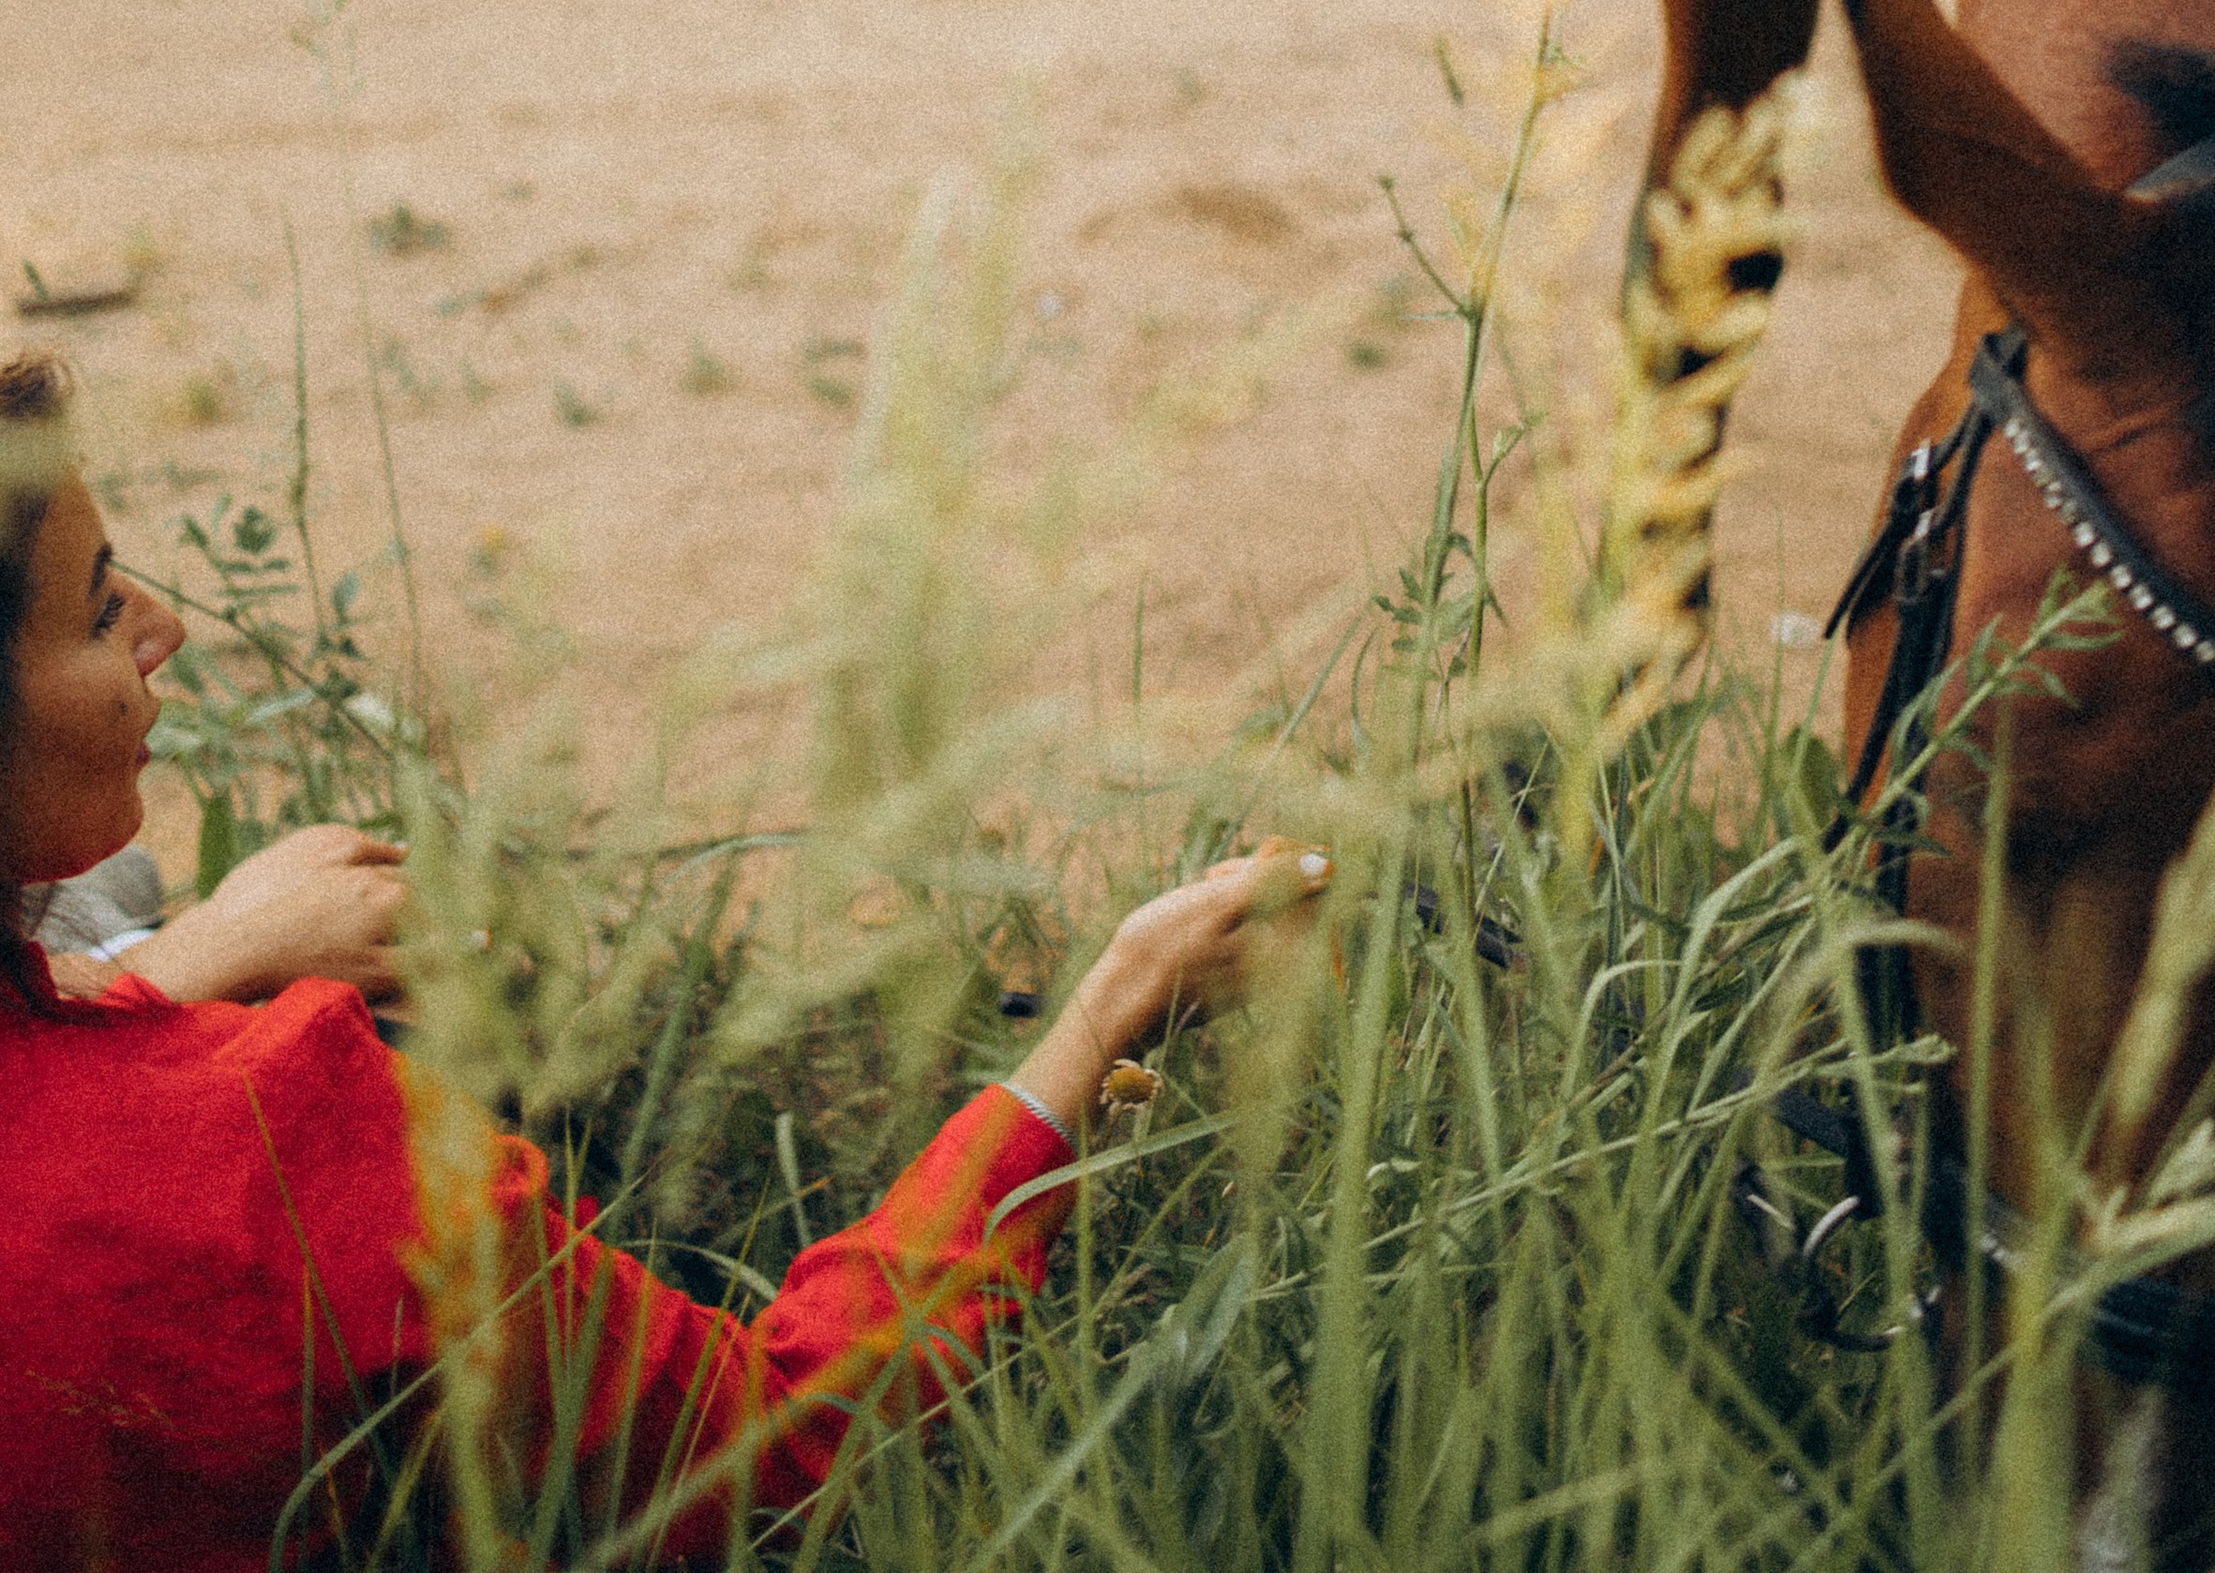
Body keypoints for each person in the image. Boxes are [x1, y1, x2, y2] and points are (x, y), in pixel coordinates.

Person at [0, 355, 1328, 1568]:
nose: (163, 628)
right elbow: (772, 1450)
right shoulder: (282, 1133)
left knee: (109, 896)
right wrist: (1112, 1012)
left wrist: (195, 958)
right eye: (103, 607)